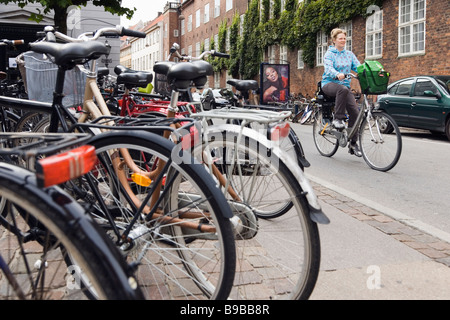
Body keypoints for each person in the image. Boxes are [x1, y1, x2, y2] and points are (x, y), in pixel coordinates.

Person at [321, 28, 362, 157]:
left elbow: (358, 67)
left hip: (344, 87)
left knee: (355, 112)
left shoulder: (349, 54)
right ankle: (337, 119)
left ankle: (353, 144)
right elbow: (328, 68)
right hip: (329, 83)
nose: (343, 40)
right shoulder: (329, 54)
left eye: (345, 38)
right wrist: (337, 74)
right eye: (340, 38)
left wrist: (367, 71)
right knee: (342, 89)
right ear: (334, 40)